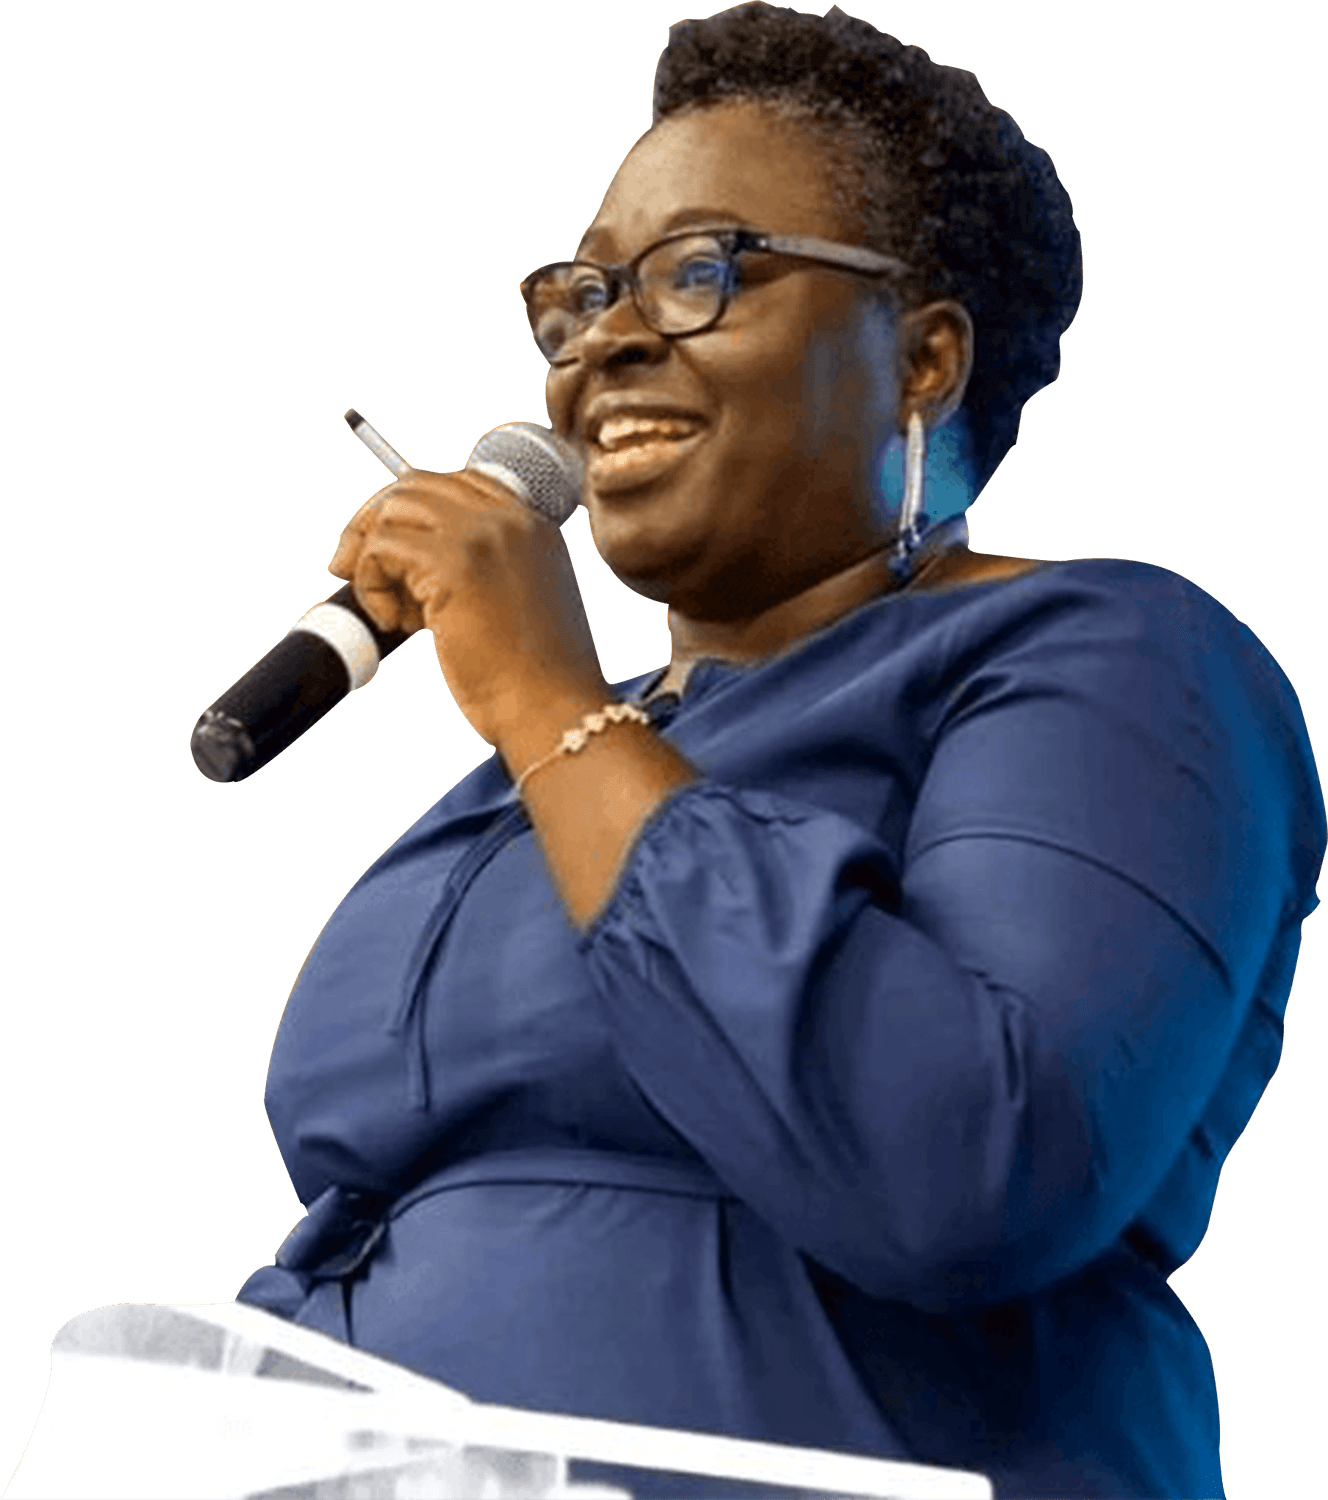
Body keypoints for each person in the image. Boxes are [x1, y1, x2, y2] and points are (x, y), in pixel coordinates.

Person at [236, 5, 1324, 1496]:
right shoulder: (550, 768)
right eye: (582, 292)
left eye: (701, 273)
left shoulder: (1119, 657)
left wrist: (550, 703)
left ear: (923, 359)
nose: (606, 339)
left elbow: (970, 1163)